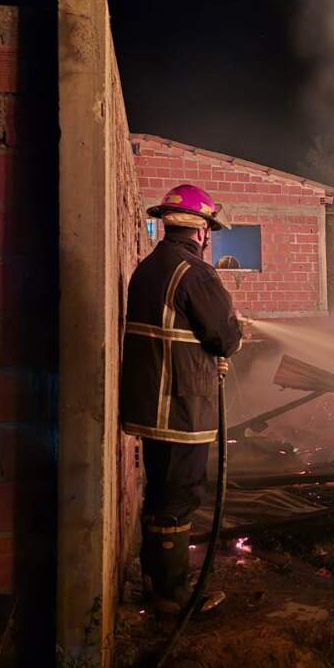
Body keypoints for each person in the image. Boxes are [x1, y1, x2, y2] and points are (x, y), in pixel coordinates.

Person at [120, 184, 242, 614]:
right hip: (180, 406)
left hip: (153, 404)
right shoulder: (196, 272)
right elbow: (223, 335)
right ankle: (172, 594)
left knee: (160, 492)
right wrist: (232, 336)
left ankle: (155, 581)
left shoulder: (149, 268)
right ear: (202, 230)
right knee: (179, 496)